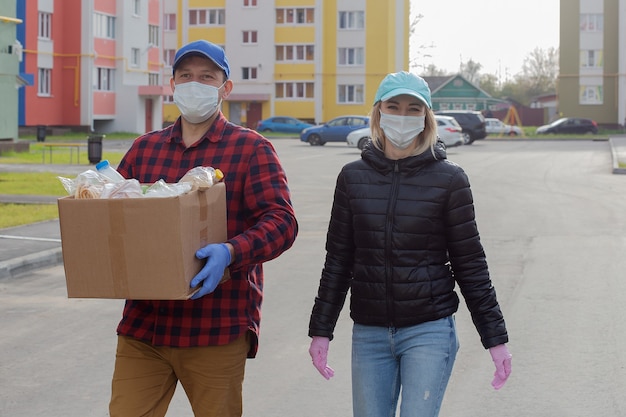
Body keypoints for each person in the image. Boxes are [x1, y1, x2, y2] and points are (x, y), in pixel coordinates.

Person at [108, 39, 298, 417]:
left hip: (215, 326)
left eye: (207, 77)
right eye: (186, 76)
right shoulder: (144, 150)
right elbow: (112, 216)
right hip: (145, 326)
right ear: (173, 85)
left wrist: (231, 251)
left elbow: (282, 222)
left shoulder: (251, 148)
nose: (195, 84)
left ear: (225, 88)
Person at [307, 71, 511, 417]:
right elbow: (339, 260)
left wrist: (496, 339)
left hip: (428, 331)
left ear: (426, 117)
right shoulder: (353, 177)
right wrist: (321, 330)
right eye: (394, 106)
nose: (402, 116)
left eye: (413, 109)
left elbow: (470, 263)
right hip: (369, 332)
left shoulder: (450, 180)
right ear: (378, 112)